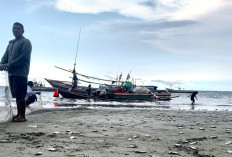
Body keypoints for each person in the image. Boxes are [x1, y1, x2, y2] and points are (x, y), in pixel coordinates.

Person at [0, 22, 32, 122]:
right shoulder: (10, 44)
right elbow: (5, 57)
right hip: (11, 73)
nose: (16, 30)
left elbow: (23, 58)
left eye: (18, 28)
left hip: (21, 73)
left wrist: (7, 65)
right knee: (16, 95)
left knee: (20, 95)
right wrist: (1, 64)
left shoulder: (26, 42)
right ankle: (18, 114)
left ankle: (22, 116)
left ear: (23, 31)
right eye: (14, 28)